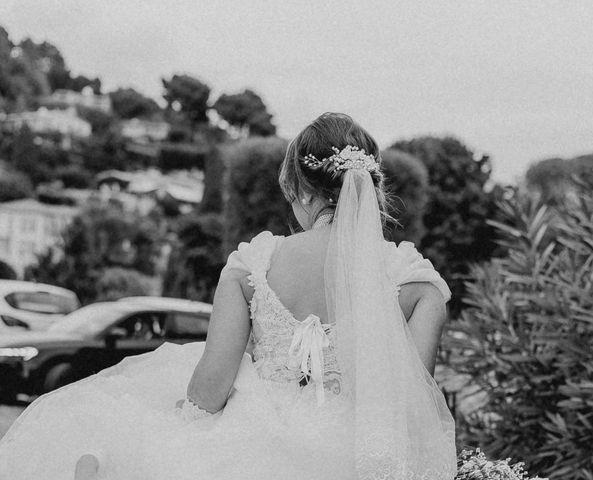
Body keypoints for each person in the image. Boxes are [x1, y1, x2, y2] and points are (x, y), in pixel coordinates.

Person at [0, 113, 457, 480]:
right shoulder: (416, 282)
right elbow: (411, 409)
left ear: (299, 187)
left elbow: (209, 393)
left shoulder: (252, 266)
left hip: (254, 452)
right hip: (361, 460)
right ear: (368, 186)